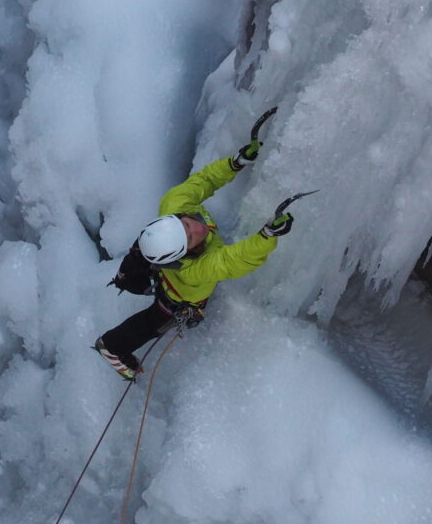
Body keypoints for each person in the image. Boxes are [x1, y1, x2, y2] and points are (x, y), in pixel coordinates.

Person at [94, 140, 295, 380]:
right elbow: (233, 261)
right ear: (184, 255)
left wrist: (234, 163)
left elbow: (203, 181)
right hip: (177, 296)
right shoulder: (196, 269)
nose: (198, 228)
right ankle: (112, 347)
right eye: (190, 238)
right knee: (152, 324)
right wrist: (266, 236)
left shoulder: (175, 203)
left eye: (187, 224)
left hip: (165, 273)